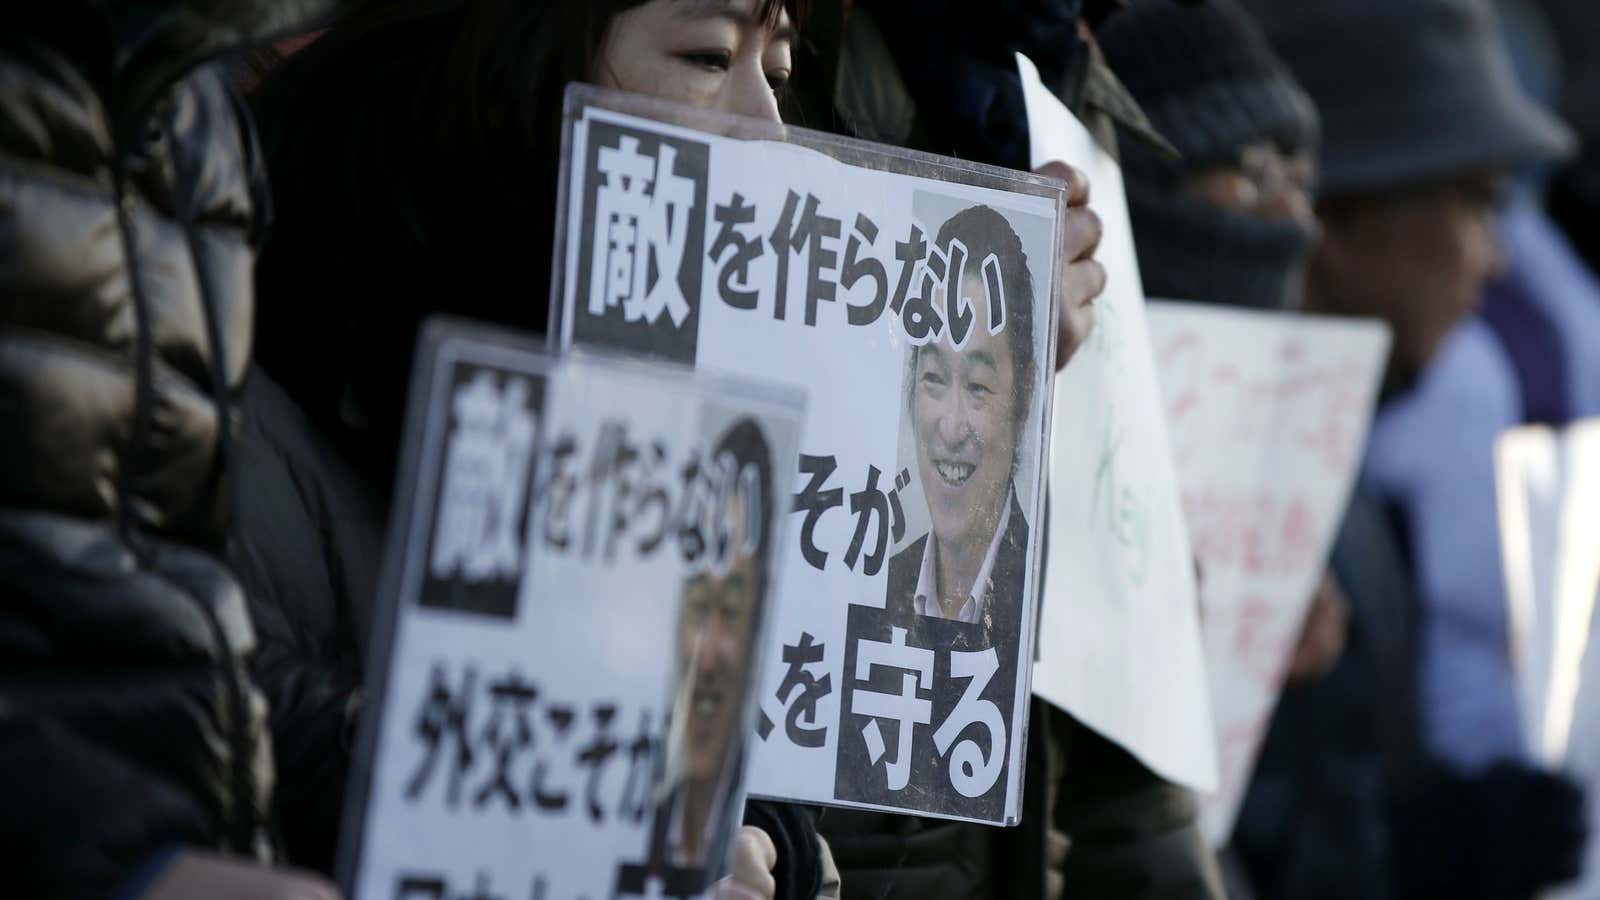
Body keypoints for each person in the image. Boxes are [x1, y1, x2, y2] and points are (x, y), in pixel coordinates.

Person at [1236, 0, 1589, 896]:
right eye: (1473, 202)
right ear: (1342, 219)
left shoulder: (1337, 457)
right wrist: (1422, 853)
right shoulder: (1240, 478)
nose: (1495, 259)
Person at [0, 1, 348, 898]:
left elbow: (178, 635)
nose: (751, 116)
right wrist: (122, 871)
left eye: (774, 64)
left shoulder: (193, 113)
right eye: (706, 53)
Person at [894, 204, 1036, 637]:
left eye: (977, 385)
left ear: (1023, 396)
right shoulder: (877, 586)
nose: (951, 429)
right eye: (934, 377)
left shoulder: (1045, 599)